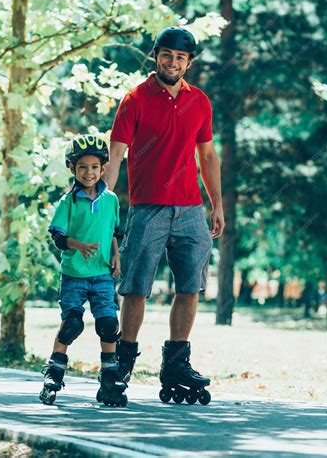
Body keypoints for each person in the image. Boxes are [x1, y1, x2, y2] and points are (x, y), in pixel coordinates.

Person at [104, 26, 225, 405]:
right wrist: (103, 206)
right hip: (148, 208)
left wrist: (216, 202)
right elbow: (116, 154)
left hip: (190, 208)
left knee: (191, 286)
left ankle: (176, 361)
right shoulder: (135, 99)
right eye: (167, 55)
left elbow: (206, 155)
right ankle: (122, 362)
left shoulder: (199, 102)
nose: (173, 63)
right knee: (136, 287)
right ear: (156, 56)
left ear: (189, 62)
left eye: (180, 58)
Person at [39, 134, 128, 407]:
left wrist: (116, 257)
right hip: (74, 273)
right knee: (72, 324)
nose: (88, 172)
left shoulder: (111, 199)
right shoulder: (68, 202)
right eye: (82, 167)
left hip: (102, 273)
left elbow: (113, 231)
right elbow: (57, 237)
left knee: (108, 325)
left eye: (93, 167)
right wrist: (77, 244)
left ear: (103, 168)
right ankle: (53, 373)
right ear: (72, 169)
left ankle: (110, 376)